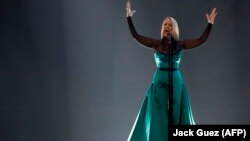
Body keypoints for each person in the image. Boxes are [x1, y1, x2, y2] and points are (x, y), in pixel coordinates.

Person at [126, 0, 217, 141]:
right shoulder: (155, 44)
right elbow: (136, 36)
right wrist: (129, 18)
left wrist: (210, 24)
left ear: (174, 28)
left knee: (176, 115)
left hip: (176, 82)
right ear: (162, 28)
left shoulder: (180, 45)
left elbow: (200, 40)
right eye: (165, 25)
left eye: (170, 25)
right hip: (159, 82)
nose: (167, 27)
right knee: (158, 116)